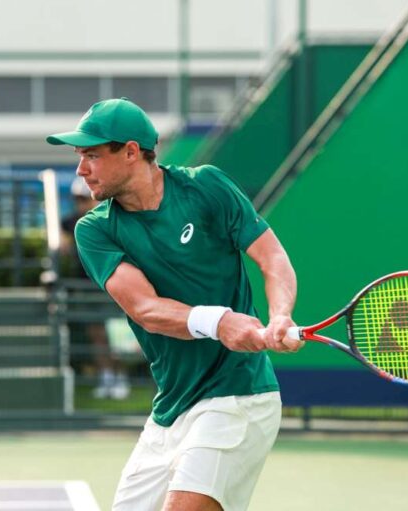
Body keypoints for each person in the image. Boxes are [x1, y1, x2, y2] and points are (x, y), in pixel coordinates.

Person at [46, 97, 302, 511]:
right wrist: (221, 322)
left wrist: (280, 315)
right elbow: (146, 310)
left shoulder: (207, 187)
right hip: (171, 409)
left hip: (237, 396)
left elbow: (272, 258)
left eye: (91, 155)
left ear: (131, 152)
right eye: (80, 157)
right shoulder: (95, 230)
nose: (81, 169)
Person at [61, 177, 129, 400]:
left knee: (116, 335)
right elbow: (62, 248)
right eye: (78, 199)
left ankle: (120, 377)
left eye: (85, 198)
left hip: (111, 284)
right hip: (86, 286)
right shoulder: (70, 223)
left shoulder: (110, 219)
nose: (82, 203)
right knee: (96, 335)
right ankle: (106, 377)